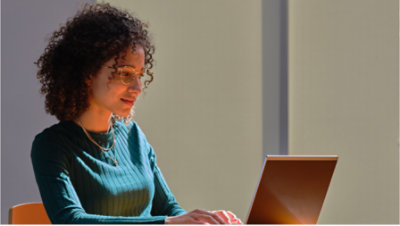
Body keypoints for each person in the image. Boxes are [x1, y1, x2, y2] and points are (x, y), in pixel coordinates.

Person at [31, 3, 242, 224]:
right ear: (88, 73)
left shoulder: (133, 136)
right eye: (125, 73)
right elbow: (71, 221)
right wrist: (167, 223)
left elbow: (167, 206)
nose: (138, 87)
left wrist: (202, 220)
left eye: (140, 74)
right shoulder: (52, 146)